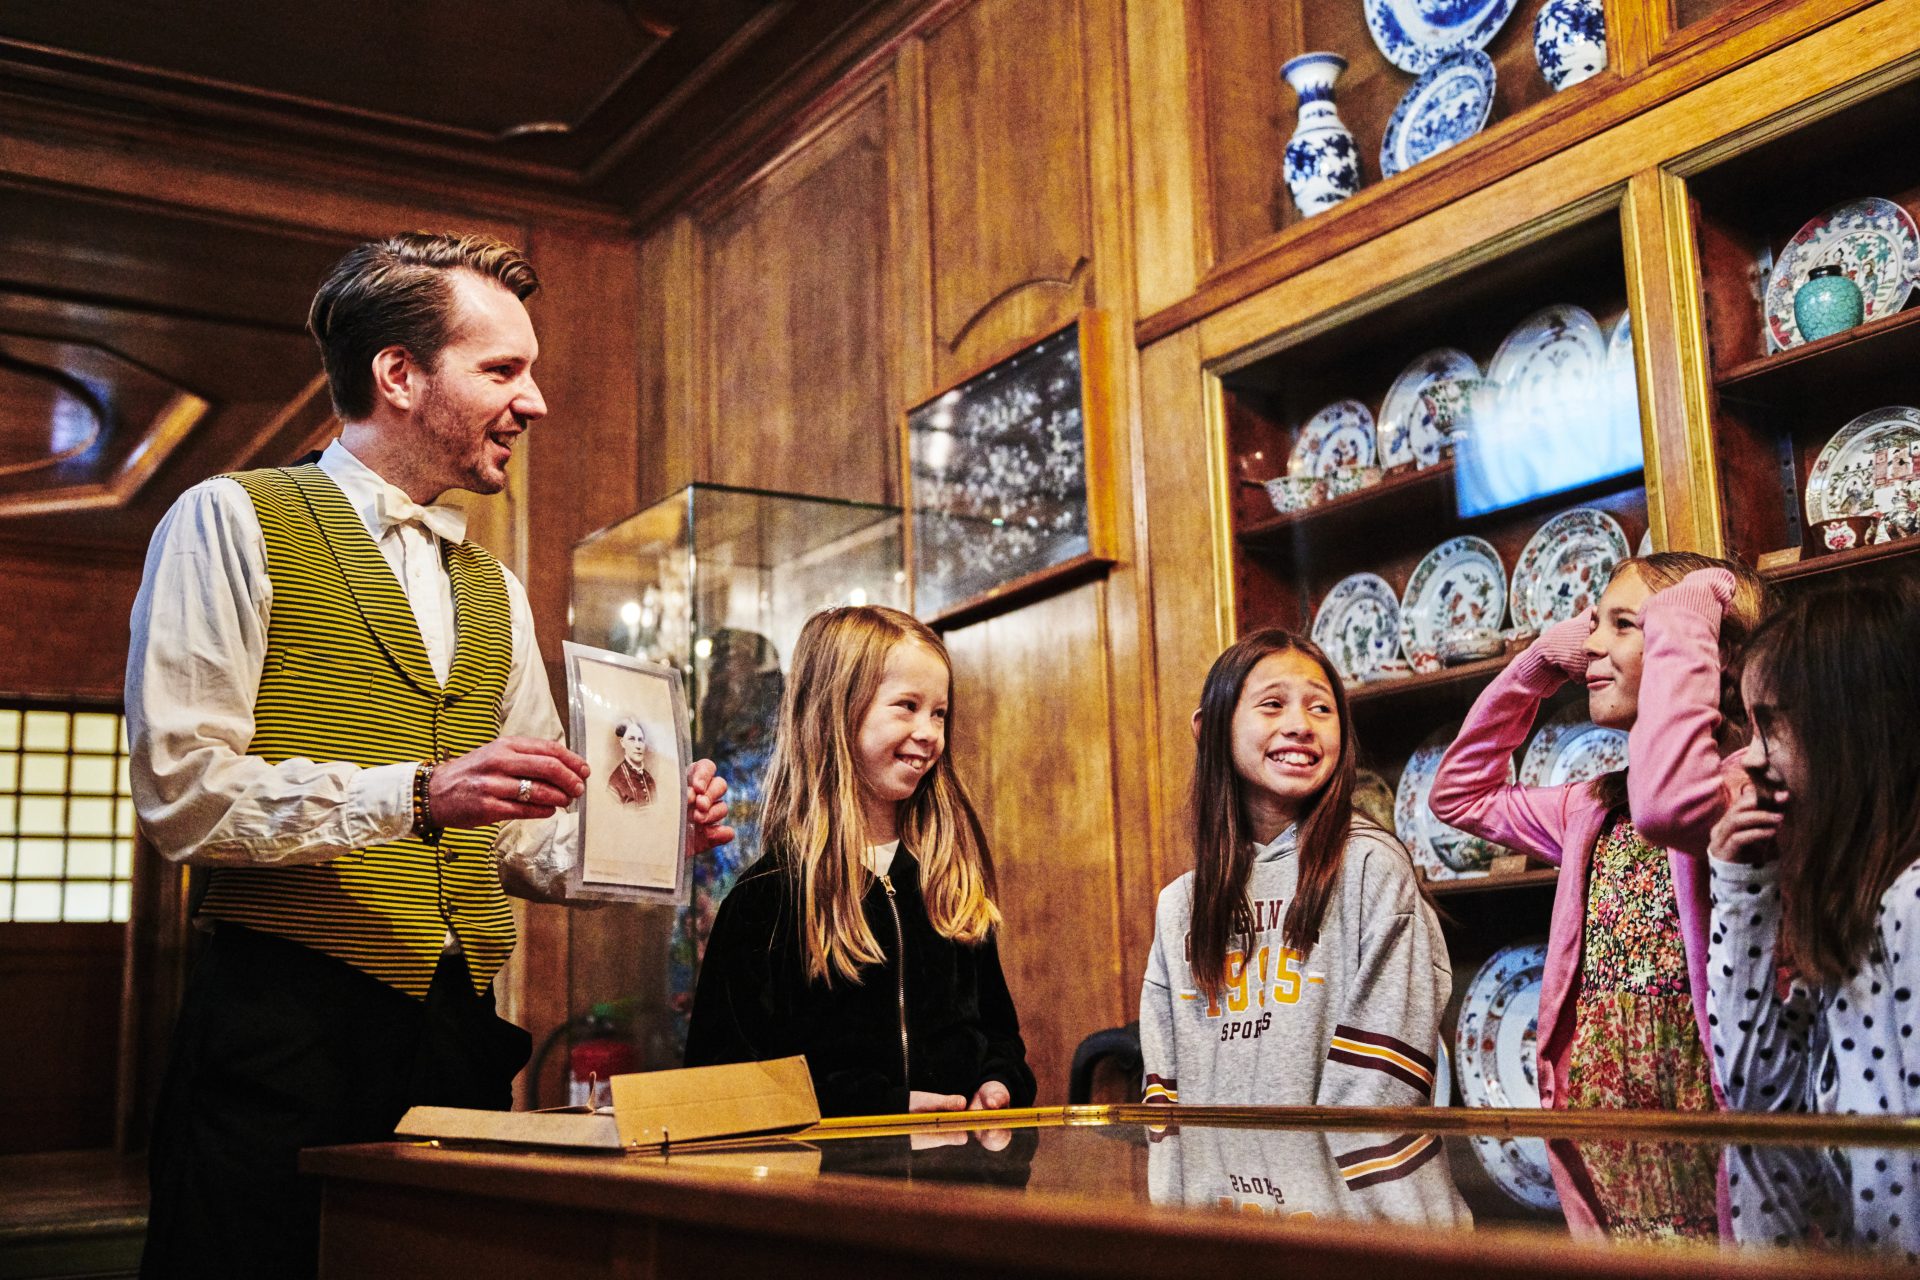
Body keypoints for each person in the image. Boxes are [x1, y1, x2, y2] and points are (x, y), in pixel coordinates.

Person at [128, 231, 734, 1280]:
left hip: (461, 1035)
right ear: (398, 374)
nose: (534, 401)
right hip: (283, 1029)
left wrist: (642, 833)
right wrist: (417, 791)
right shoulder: (228, 518)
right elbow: (184, 793)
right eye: (503, 369)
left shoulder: (492, 587)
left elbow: (524, 839)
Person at [1429, 551, 1769, 1238]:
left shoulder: (1744, 786)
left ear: (1701, 647)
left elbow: (1669, 801)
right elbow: (1459, 794)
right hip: (1610, 1137)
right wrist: (1535, 666)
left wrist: (1683, 624)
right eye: (1593, 627)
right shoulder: (1591, 806)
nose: (1589, 645)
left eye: (1623, 624)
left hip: (1715, 1128)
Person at [683, 605, 1035, 1116]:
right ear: (835, 713)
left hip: (958, 1181)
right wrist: (879, 1106)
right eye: (906, 706)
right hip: (835, 1186)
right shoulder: (766, 899)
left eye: (939, 712)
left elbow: (998, 1035)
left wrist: (1000, 1081)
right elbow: (726, 1087)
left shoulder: (949, 881)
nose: (929, 731)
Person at [1139, 630, 1449, 1108]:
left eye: (1321, 708)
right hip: (1211, 1185)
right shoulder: (1180, 903)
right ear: (1210, 729)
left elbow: (1381, 1088)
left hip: (1339, 1181)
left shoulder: (1372, 867)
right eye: (1272, 704)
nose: (1300, 725)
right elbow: (1164, 1098)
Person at [1707, 575, 1920, 1256]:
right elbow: (1763, 1119)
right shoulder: (1859, 914)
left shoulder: (1912, 906)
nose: (1751, 758)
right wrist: (1742, 894)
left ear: (1856, 729)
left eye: (1772, 723)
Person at [608, 717, 658, 806]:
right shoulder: (615, 782)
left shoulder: (650, 780)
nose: (638, 746)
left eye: (640, 740)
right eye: (632, 739)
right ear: (623, 743)